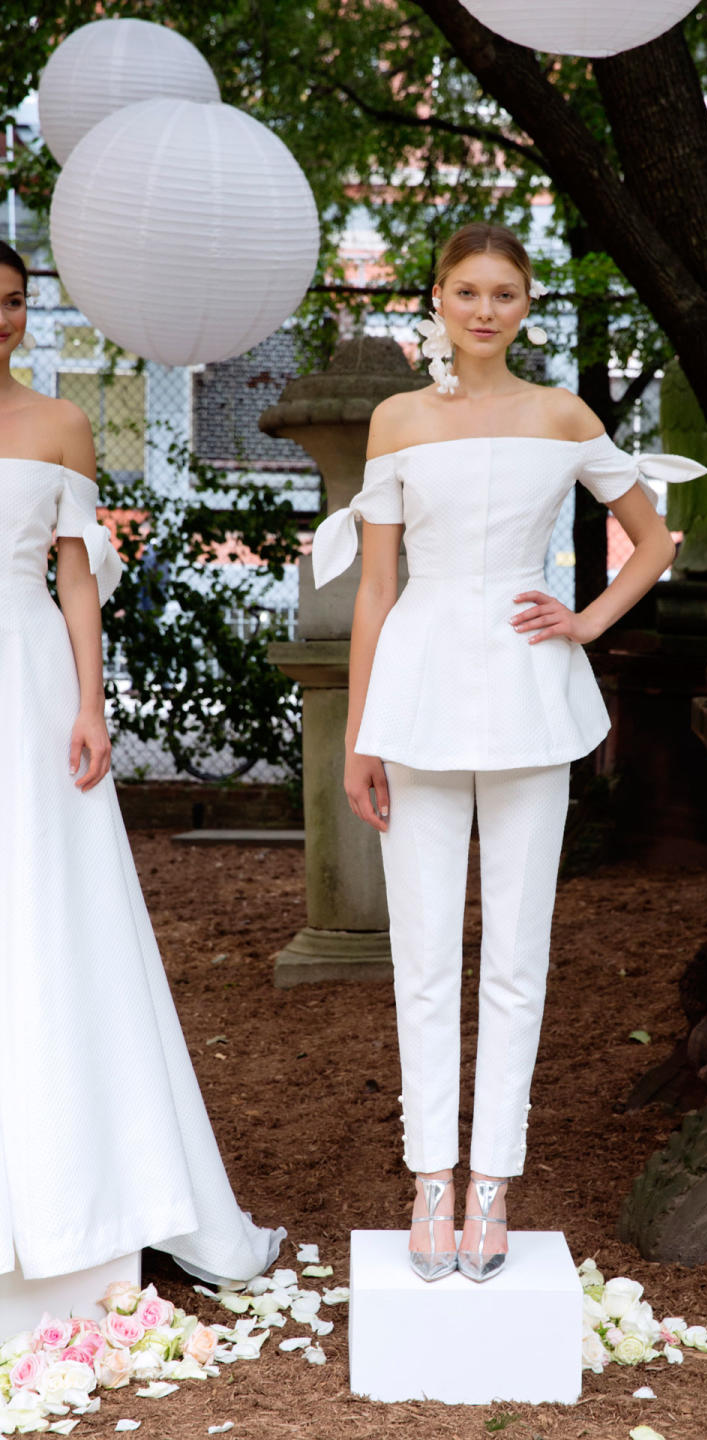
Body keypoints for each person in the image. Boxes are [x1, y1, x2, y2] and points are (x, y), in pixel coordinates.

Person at [311, 222, 706, 1282]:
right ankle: (428, 1178)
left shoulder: (562, 413)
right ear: (436, 300)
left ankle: (494, 1187)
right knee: (425, 957)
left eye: (505, 294)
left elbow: (654, 536)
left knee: (519, 958)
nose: (485, 309)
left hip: (531, 695)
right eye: (467, 290)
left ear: (524, 307)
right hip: (422, 690)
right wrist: (361, 736)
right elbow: (378, 589)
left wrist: (588, 620)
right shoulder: (395, 420)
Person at [0, 241, 283, 1287]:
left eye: (15, 302)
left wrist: (88, 702)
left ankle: (86, 1195)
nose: (2, 317)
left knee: (51, 906)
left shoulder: (61, 424)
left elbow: (78, 578)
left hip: (26, 681)